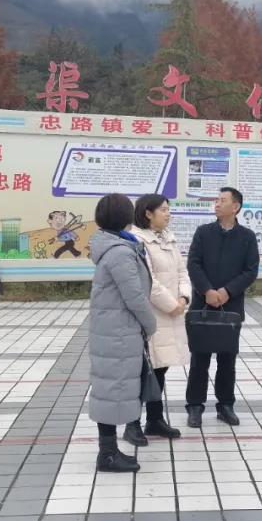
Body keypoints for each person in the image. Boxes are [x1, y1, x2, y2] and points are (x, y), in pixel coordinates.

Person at [88, 193, 159, 473]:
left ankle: (109, 451)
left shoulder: (116, 245)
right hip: (118, 332)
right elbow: (135, 297)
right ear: (125, 217)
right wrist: (150, 324)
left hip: (115, 330)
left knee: (111, 388)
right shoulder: (120, 252)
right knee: (112, 389)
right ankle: (107, 454)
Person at [185, 187, 260, 428]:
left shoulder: (247, 237)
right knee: (199, 358)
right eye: (216, 200)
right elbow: (193, 264)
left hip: (231, 307)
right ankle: (195, 406)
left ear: (235, 207)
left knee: (228, 359)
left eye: (222, 200)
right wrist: (207, 291)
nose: (217, 203)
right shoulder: (203, 232)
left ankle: (225, 405)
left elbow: (251, 270)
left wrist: (227, 291)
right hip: (203, 304)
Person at [131, 193, 190, 441]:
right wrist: (171, 305)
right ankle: (132, 423)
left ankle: (154, 420)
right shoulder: (137, 240)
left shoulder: (168, 238)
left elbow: (182, 271)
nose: (168, 214)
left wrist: (184, 298)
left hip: (172, 313)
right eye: (163, 210)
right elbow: (148, 281)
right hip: (152, 314)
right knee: (142, 370)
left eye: (168, 209)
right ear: (148, 213)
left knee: (160, 368)